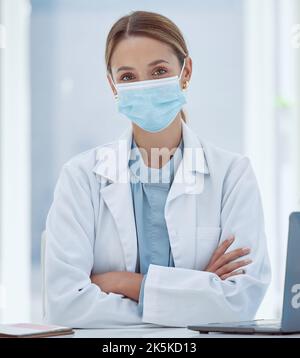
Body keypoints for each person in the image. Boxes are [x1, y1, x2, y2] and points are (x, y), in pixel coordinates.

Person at [44, 10, 271, 328]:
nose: (144, 87)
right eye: (127, 77)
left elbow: (240, 300)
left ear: (186, 71)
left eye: (159, 71)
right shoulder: (81, 178)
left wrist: (124, 283)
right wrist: (195, 291)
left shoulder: (232, 175)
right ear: (112, 86)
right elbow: (64, 304)